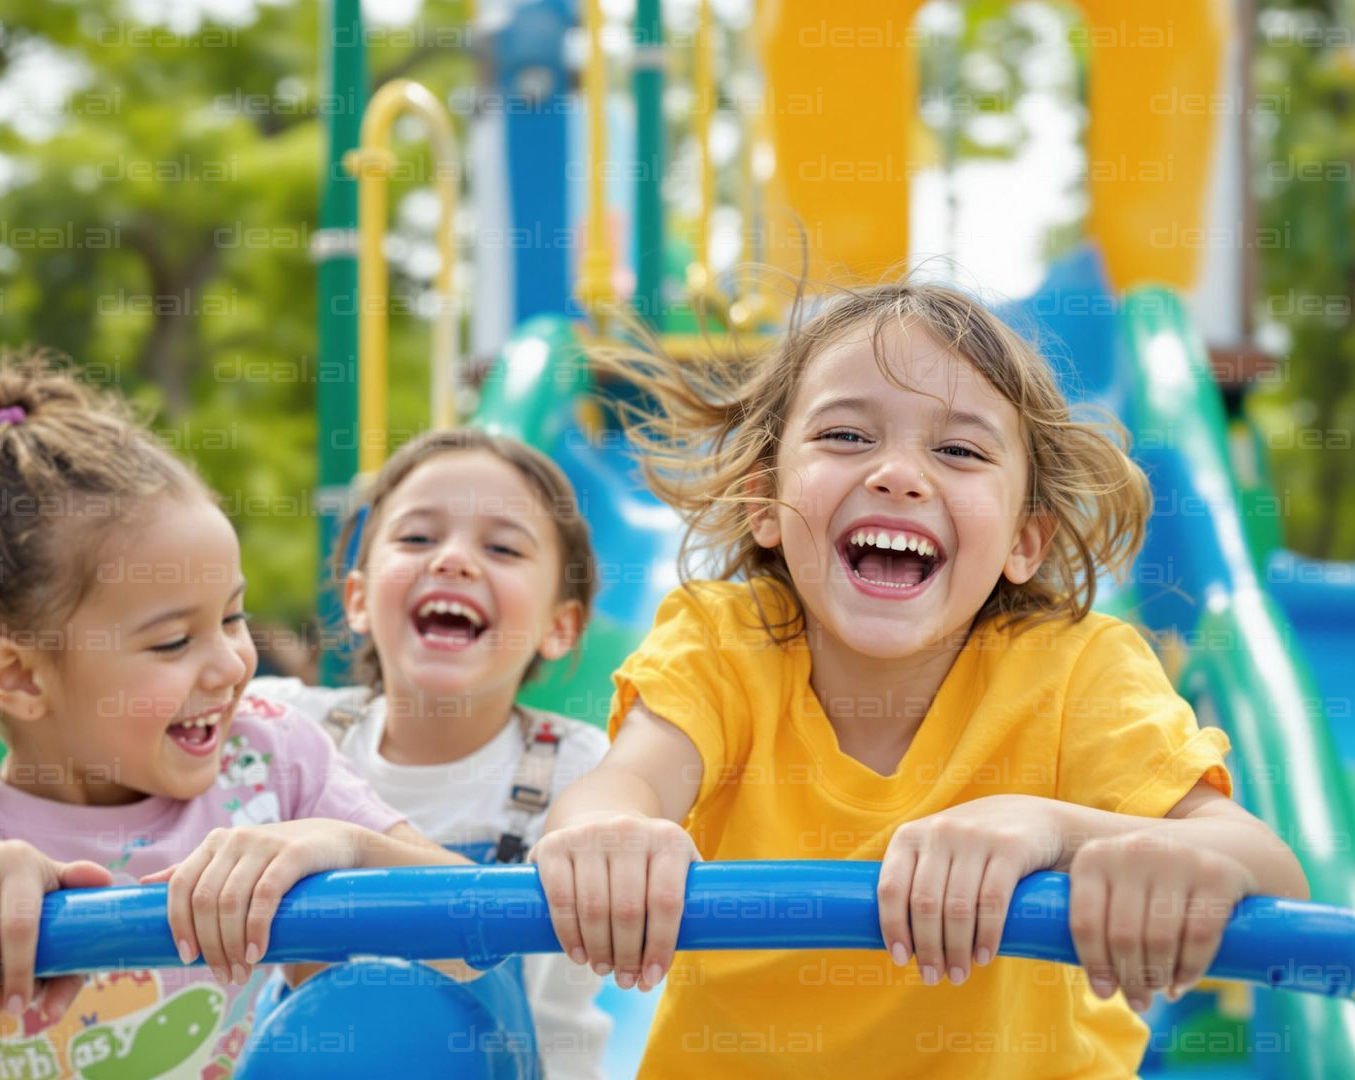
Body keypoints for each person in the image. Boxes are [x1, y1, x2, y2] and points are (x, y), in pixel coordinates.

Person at [532, 283, 1311, 1078]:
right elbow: (622, 786)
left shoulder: (1077, 669)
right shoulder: (722, 641)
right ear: (764, 499)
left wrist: (1059, 830)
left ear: (1025, 540)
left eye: (961, 451)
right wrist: (608, 833)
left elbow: (1267, 863)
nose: (898, 475)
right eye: (844, 435)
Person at [0, 354, 461, 1080]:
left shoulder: (271, 763)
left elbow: (475, 948)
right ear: (21, 676)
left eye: (233, 616)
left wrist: (347, 846)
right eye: (174, 641)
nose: (230, 664)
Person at [252, 428, 611, 1079]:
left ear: (561, 625)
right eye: (417, 538)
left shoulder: (580, 771)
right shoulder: (289, 734)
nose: (452, 560)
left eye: (502, 547)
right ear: (358, 598)